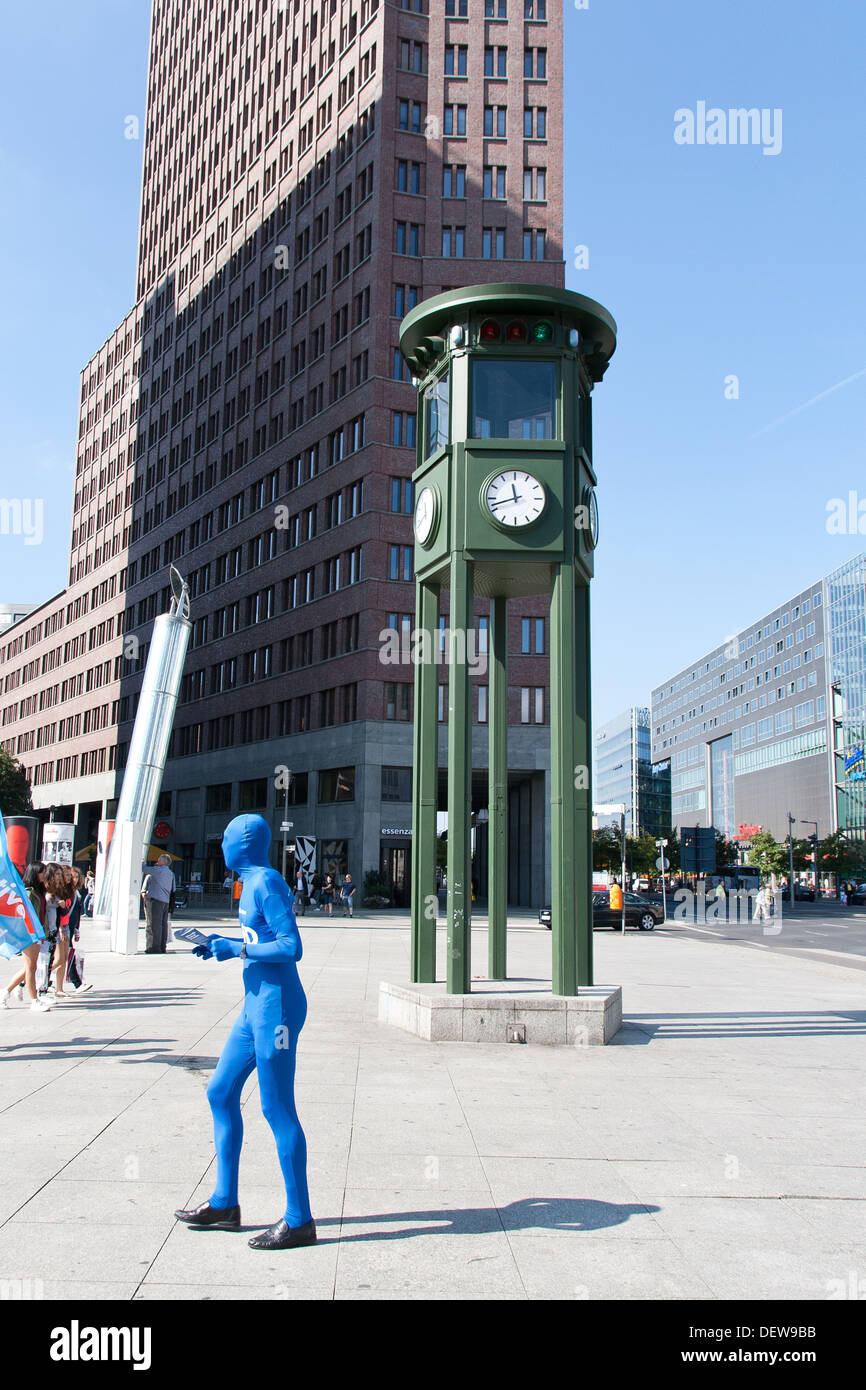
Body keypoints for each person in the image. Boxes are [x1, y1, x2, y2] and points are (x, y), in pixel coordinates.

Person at [174, 813, 315, 1250]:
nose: (222, 847)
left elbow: (293, 947)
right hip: (255, 1006)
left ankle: (299, 1219)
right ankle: (224, 1203)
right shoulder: (249, 882)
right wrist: (222, 943)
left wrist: (236, 947)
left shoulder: (266, 882)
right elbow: (260, 937)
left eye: (228, 840)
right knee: (219, 1091)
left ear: (244, 844)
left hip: (277, 1010)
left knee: (276, 1109)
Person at [2, 863, 51, 1012]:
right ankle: (34, 1000)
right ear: (35, 873)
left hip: (37, 933)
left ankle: (5, 992)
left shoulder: (40, 891)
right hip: (29, 934)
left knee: (30, 967)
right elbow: (24, 915)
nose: (45, 875)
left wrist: (44, 932)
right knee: (31, 967)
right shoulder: (28, 893)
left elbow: (43, 914)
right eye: (42, 872)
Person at [141, 854, 176, 953]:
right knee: (163, 925)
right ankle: (162, 946)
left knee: (154, 924)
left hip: (156, 900)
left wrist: (141, 860)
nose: (157, 861)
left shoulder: (158, 870)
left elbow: (144, 869)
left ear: (163, 862)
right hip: (165, 901)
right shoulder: (170, 873)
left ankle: (154, 947)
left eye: (159, 860)